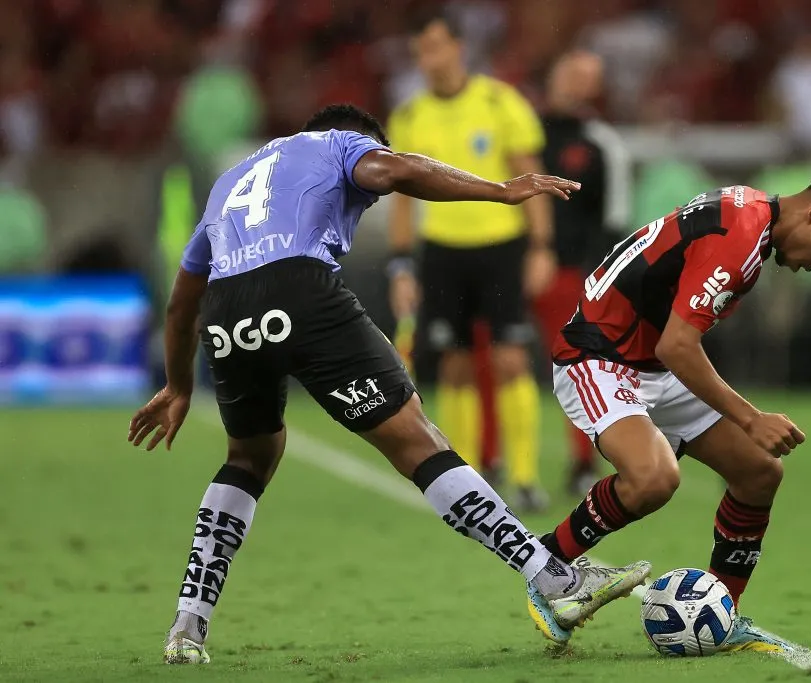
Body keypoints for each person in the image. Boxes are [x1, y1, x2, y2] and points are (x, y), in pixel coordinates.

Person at [126, 104, 650, 664]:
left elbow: (183, 303)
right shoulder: (336, 144)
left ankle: (188, 625)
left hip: (226, 315)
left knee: (250, 457)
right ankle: (554, 580)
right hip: (300, 291)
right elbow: (395, 170)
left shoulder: (229, 183)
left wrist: (179, 385)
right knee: (417, 440)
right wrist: (499, 191)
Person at [528, 171, 811, 650]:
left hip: (651, 359)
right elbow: (679, 344)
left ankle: (722, 616)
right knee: (654, 478)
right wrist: (750, 417)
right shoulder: (742, 236)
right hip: (599, 355)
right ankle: (547, 570)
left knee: (759, 472)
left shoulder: (752, 213)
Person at [387, 10, 555, 511]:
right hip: (441, 251)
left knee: (509, 358)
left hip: (500, 247)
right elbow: (400, 199)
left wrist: (541, 246)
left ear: (459, 47)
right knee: (455, 364)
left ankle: (524, 477)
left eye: (438, 47)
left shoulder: (500, 103)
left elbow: (532, 177)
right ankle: (469, 476)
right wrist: (400, 265)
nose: (430, 59)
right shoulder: (409, 116)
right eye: (422, 51)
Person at [536, 48, 633, 496]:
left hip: (572, 273)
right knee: (491, 360)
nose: (576, 83)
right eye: (570, 71)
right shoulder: (521, 133)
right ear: (552, 76)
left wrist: (592, 280)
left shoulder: (602, 145)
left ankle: (581, 463)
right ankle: (491, 461)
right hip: (512, 265)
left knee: (577, 369)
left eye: (587, 77)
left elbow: (614, 222)